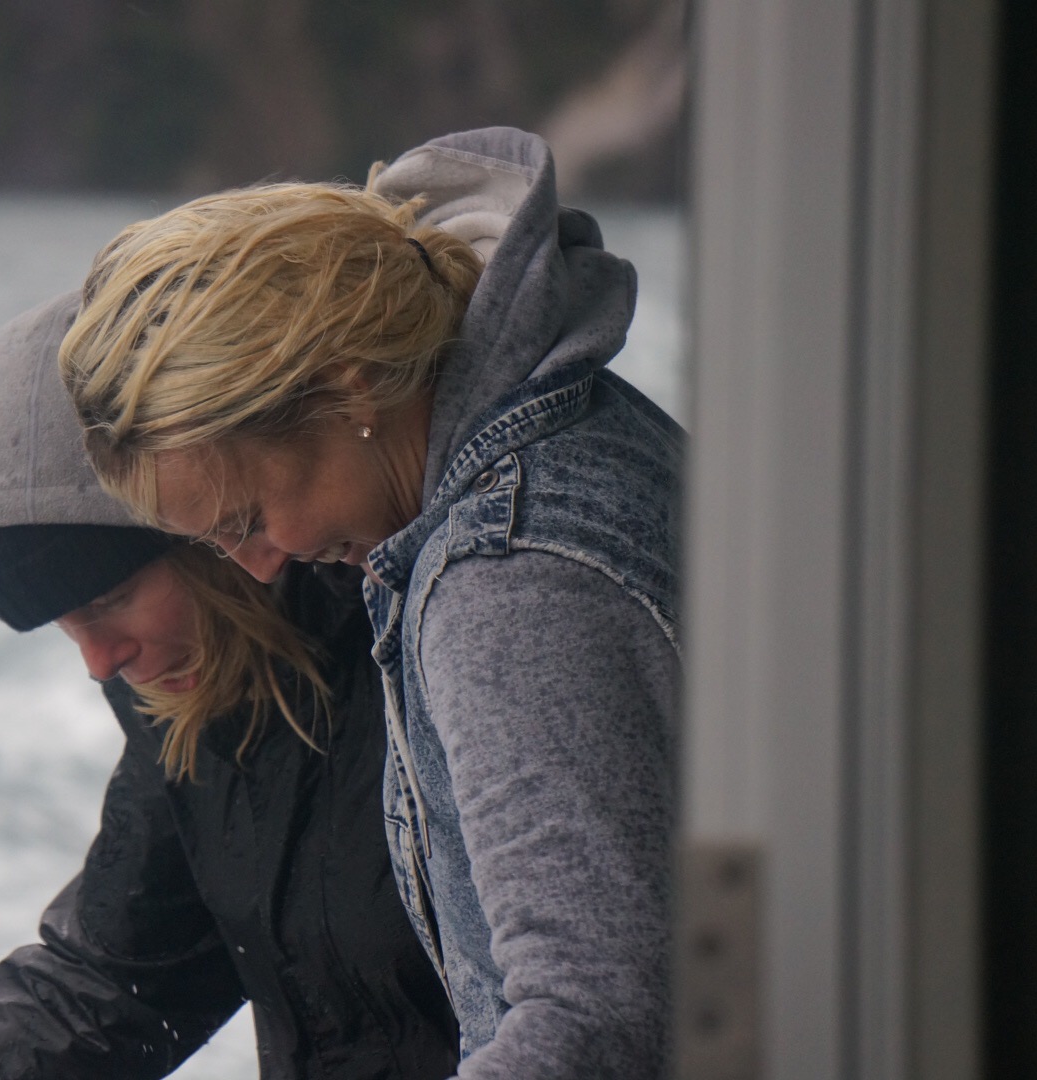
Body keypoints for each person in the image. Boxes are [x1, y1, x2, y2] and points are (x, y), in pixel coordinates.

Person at [59, 127, 683, 1079]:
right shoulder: (585, 431)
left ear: (349, 390)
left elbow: (595, 1024)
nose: (261, 568)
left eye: (249, 518)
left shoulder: (504, 579)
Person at [0, 291, 459, 1080]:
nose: (99, 662)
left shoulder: (455, 636)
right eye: (64, 624)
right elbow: (112, 987)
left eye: (109, 601)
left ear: (205, 526)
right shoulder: (199, 700)